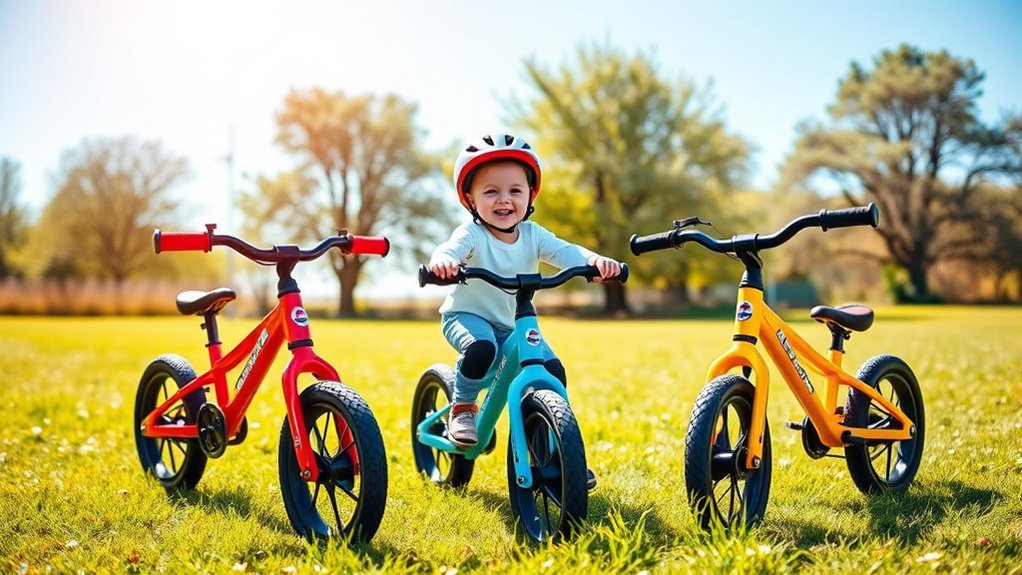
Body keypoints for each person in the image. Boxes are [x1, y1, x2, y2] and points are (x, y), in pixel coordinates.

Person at [429, 133, 621, 490]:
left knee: (553, 370)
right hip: (467, 317)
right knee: (481, 349)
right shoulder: (472, 234)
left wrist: (594, 261)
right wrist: (444, 262)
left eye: (515, 190)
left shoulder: (533, 235)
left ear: (530, 195)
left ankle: (556, 450)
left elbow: (566, 252)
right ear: (470, 199)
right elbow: (450, 249)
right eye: (491, 192)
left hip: (512, 324)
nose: (504, 199)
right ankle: (464, 408)